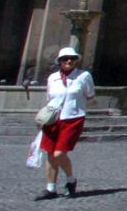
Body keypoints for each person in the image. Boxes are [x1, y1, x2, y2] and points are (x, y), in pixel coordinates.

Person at [36, 46, 95, 200]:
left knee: (59, 153)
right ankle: (50, 189)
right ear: (60, 62)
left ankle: (71, 180)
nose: (69, 61)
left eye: (73, 58)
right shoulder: (52, 78)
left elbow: (90, 94)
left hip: (73, 118)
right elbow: (50, 97)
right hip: (53, 118)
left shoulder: (84, 76)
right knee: (50, 153)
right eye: (65, 59)